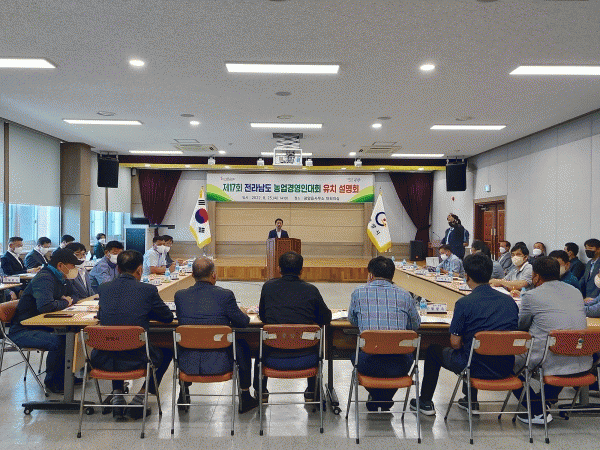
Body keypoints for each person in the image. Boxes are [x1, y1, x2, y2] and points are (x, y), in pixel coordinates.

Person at [410, 253, 519, 416]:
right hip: (505, 366)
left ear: (467, 276)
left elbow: (455, 343)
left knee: (434, 351)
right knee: (472, 349)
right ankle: (470, 401)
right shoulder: (509, 301)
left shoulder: (464, 303)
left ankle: (425, 401)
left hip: (474, 366)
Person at [91, 250, 174, 420]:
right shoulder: (148, 290)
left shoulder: (104, 288)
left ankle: (117, 394)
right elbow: (167, 317)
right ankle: (141, 396)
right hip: (138, 357)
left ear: (118, 269)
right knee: (167, 350)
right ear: (140, 269)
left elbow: (101, 315)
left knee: (115, 340)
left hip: (103, 357)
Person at [511, 257, 591, 425]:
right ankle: (545, 401)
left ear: (536, 276)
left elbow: (521, 326)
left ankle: (536, 410)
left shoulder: (531, 296)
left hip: (549, 356)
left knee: (505, 363)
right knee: (559, 355)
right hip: (581, 358)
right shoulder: (575, 292)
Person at [174, 257, 258, 413]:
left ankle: (183, 391)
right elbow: (243, 322)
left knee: (180, 342)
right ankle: (245, 395)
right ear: (214, 275)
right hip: (221, 362)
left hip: (188, 363)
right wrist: (240, 311)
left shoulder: (180, 296)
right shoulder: (225, 295)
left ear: (192, 275)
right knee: (242, 345)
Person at [256, 251, 331, 401]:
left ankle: (261, 392)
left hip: (273, 355)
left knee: (260, 347)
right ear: (301, 270)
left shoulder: (268, 287)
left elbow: (263, 316)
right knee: (313, 339)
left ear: (279, 269)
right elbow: (326, 318)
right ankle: (312, 392)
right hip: (306, 356)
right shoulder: (311, 290)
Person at [348, 256, 420, 411]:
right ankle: (384, 398)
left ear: (370, 275)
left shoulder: (358, 292)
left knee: (354, 355)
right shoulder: (405, 295)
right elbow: (415, 326)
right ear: (392, 275)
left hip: (369, 364)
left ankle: (378, 397)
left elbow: (353, 321)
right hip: (400, 365)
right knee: (402, 360)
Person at [8, 248, 82, 393]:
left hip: (43, 324)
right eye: (72, 266)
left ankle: (67, 376)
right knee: (60, 342)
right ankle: (53, 382)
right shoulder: (45, 278)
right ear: (61, 265)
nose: (74, 269)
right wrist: (65, 302)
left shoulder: (61, 278)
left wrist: (66, 301)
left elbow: (75, 295)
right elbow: (46, 306)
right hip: (24, 329)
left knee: (73, 336)